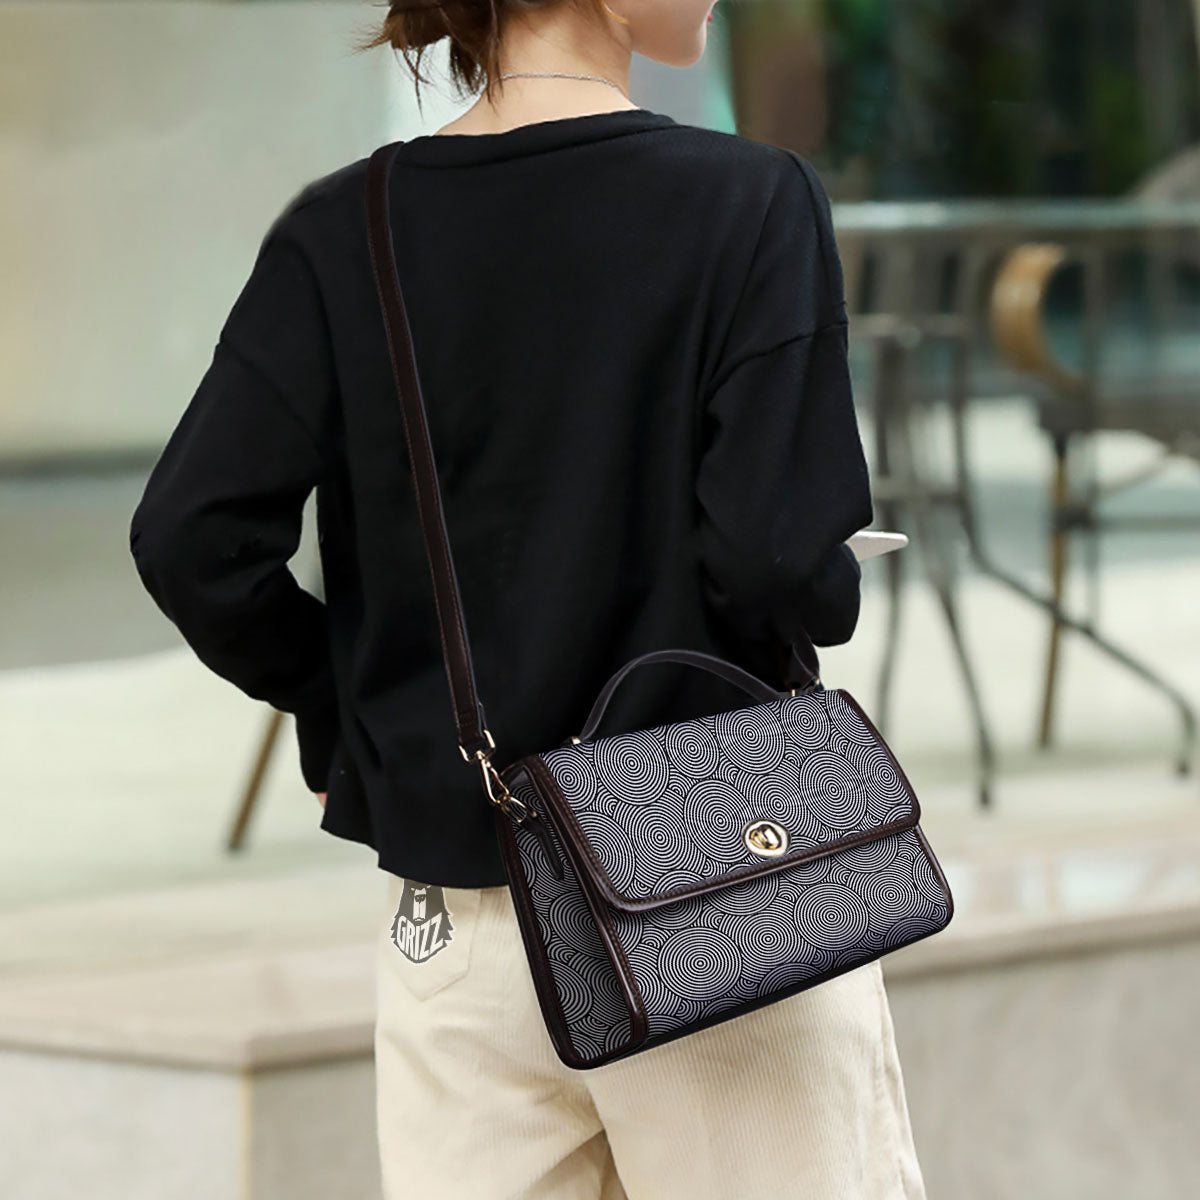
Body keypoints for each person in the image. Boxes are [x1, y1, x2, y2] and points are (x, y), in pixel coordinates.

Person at [128, 0, 928, 1195]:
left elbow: (191, 540)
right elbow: (774, 561)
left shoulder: (348, 226)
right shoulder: (751, 202)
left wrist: (355, 711)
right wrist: (828, 568)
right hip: (719, 886)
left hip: (458, 922)